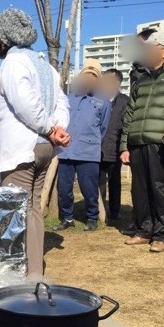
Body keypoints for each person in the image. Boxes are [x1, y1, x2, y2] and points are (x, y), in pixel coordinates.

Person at [0, 8, 70, 277]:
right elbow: (62, 102)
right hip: (44, 147)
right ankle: (34, 271)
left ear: (2, 35)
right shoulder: (45, 66)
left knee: (17, 211)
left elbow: (24, 102)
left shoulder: (13, 62)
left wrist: (50, 129)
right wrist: (57, 129)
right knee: (33, 208)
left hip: (22, 148)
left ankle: (23, 274)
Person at [120, 31, 164, 253]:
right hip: (137, 142)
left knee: (159, 189)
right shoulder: (141, 80)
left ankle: (161, 235)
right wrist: (124, 145)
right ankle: (143, 231)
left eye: (151, 48)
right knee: (139, 188)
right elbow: (129, 115)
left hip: (159, 143)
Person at [56, 60, 111, 232]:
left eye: (94, 77)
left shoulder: (103, 102)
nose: (89, 80)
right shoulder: (67, 98)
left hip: (89, 152)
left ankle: (92, 217)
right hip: (66, 150)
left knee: (89, 188)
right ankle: (67, 217)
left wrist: (91, 142)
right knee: (64, 188)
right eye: (87, 75)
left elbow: (103, 127)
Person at [99, 68, 129, 221]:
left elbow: (127, 125)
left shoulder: (124, 101)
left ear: (117, 82)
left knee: (115, 180)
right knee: (99, 181)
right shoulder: (97, 98)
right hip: (98, 148)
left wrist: (124, 147)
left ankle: (115, 210)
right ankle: (100, 209)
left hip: (116, 147)